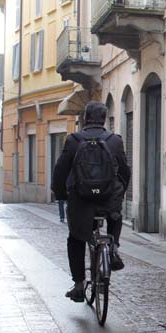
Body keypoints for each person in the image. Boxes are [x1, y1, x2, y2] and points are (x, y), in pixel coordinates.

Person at [51, 102, 130, 303]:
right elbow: (124, 172)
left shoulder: (74, 141)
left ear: (85, 118)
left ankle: (78, 285)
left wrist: (60, 193)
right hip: (108, 201)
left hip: (81, 201)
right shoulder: (115, 141)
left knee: (76, 239)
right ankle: (113, 248)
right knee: (115, 215)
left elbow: (60, 171)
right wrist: (119, 193)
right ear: (104, 118)